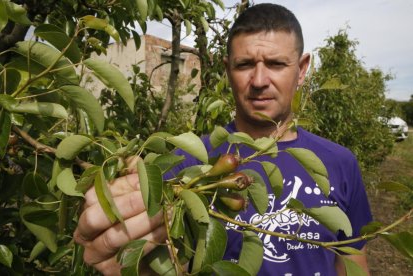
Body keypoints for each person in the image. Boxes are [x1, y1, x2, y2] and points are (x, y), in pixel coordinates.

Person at [74, 3, 372, 275]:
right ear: (227, 68)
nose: (258, 81)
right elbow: (163, 261)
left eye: (276, 64)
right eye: (244, 65)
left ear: (302, 69)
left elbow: (352, 259)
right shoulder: (187, 163)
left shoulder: (340, 163)